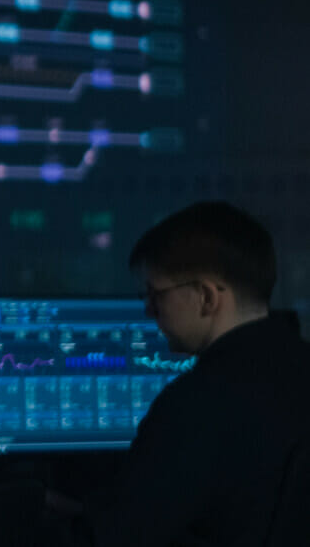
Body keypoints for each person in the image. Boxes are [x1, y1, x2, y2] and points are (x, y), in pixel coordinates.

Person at [66, 201, 310, 547]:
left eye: (156, 294)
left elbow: (110, 538)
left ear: (207, 298)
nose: (149, 311)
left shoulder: (196, 406)